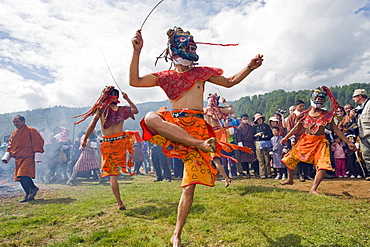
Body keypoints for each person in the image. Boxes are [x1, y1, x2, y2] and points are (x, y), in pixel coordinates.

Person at [130, 27, 263, 246]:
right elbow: (135, 80)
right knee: (150, 117)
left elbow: (229, 81)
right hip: (176, 128)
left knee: (188, 186)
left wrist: (250, 67)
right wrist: (137, 51)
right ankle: (199, 145)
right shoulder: (166, 77)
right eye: (186, 46)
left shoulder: (201, 73)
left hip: (198, 127)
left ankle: (177, 233)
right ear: (174, 51)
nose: (191, 50)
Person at [280, 86, 357, 195]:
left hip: (320, 142)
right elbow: (296, 128)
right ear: (312, 98)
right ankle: (290, 179)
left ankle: (313, 189)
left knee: (323, 165)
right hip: (305, 140)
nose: (319, 101)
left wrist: (348, 141)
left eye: (322, 99)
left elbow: (335, 129)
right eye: (318, 98)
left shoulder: (326, 115)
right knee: (289, 158)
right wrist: (286, 137)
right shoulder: (304, 115)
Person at [73, 86, 139, 210]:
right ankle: (120, 201)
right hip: (120, 143)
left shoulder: (101, 110)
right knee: (115, 173)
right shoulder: (121, 109)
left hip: (108, 144)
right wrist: (128, 98)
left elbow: (92, 125)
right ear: (117, 98)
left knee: (113, 175)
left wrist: (85, 139)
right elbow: (135, 110)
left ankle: (120, 203)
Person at [2, 115, 44, 202]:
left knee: (23, 174)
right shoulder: (14, 133)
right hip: (18, 158)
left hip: (28, 156)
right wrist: (7, 156)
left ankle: (33, 188)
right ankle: (28, 195)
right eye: (14, 122)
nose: (15, 123)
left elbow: (38, 142)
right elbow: (10, 145)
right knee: (19, 177)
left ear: (23, 121)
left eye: (17, 121)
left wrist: (38, 154)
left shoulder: (31, 130)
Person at [351, 89, 370, 181]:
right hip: (363, 135)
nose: (353, 99)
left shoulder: (369, 104)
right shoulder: (359, 108)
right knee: (366, 156)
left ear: (360, 96)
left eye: (354, 97)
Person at [252, 112, 273, 179]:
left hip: (266, 142)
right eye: (258, 119)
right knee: (260, 159)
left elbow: (271, 134)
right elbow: (252, 136)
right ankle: (262, 174)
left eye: (260, 118)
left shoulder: (266, 126)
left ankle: (269, 173)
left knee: (267, 159)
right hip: (258, 142)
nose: (260, 120)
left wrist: (266, 136)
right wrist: (257, 134)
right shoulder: (254, 128)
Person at [237, 114, 257, 178]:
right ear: (241, 120)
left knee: (253, 158)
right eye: (244, 119)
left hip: (250, 143)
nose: (246, 120)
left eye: (246, 119)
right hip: (244, 144)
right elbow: (238, 137)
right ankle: (247, 172)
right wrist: (241, 146)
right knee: (244, 160)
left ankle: (255, 172)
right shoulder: (239, 128)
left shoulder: (250, 127)